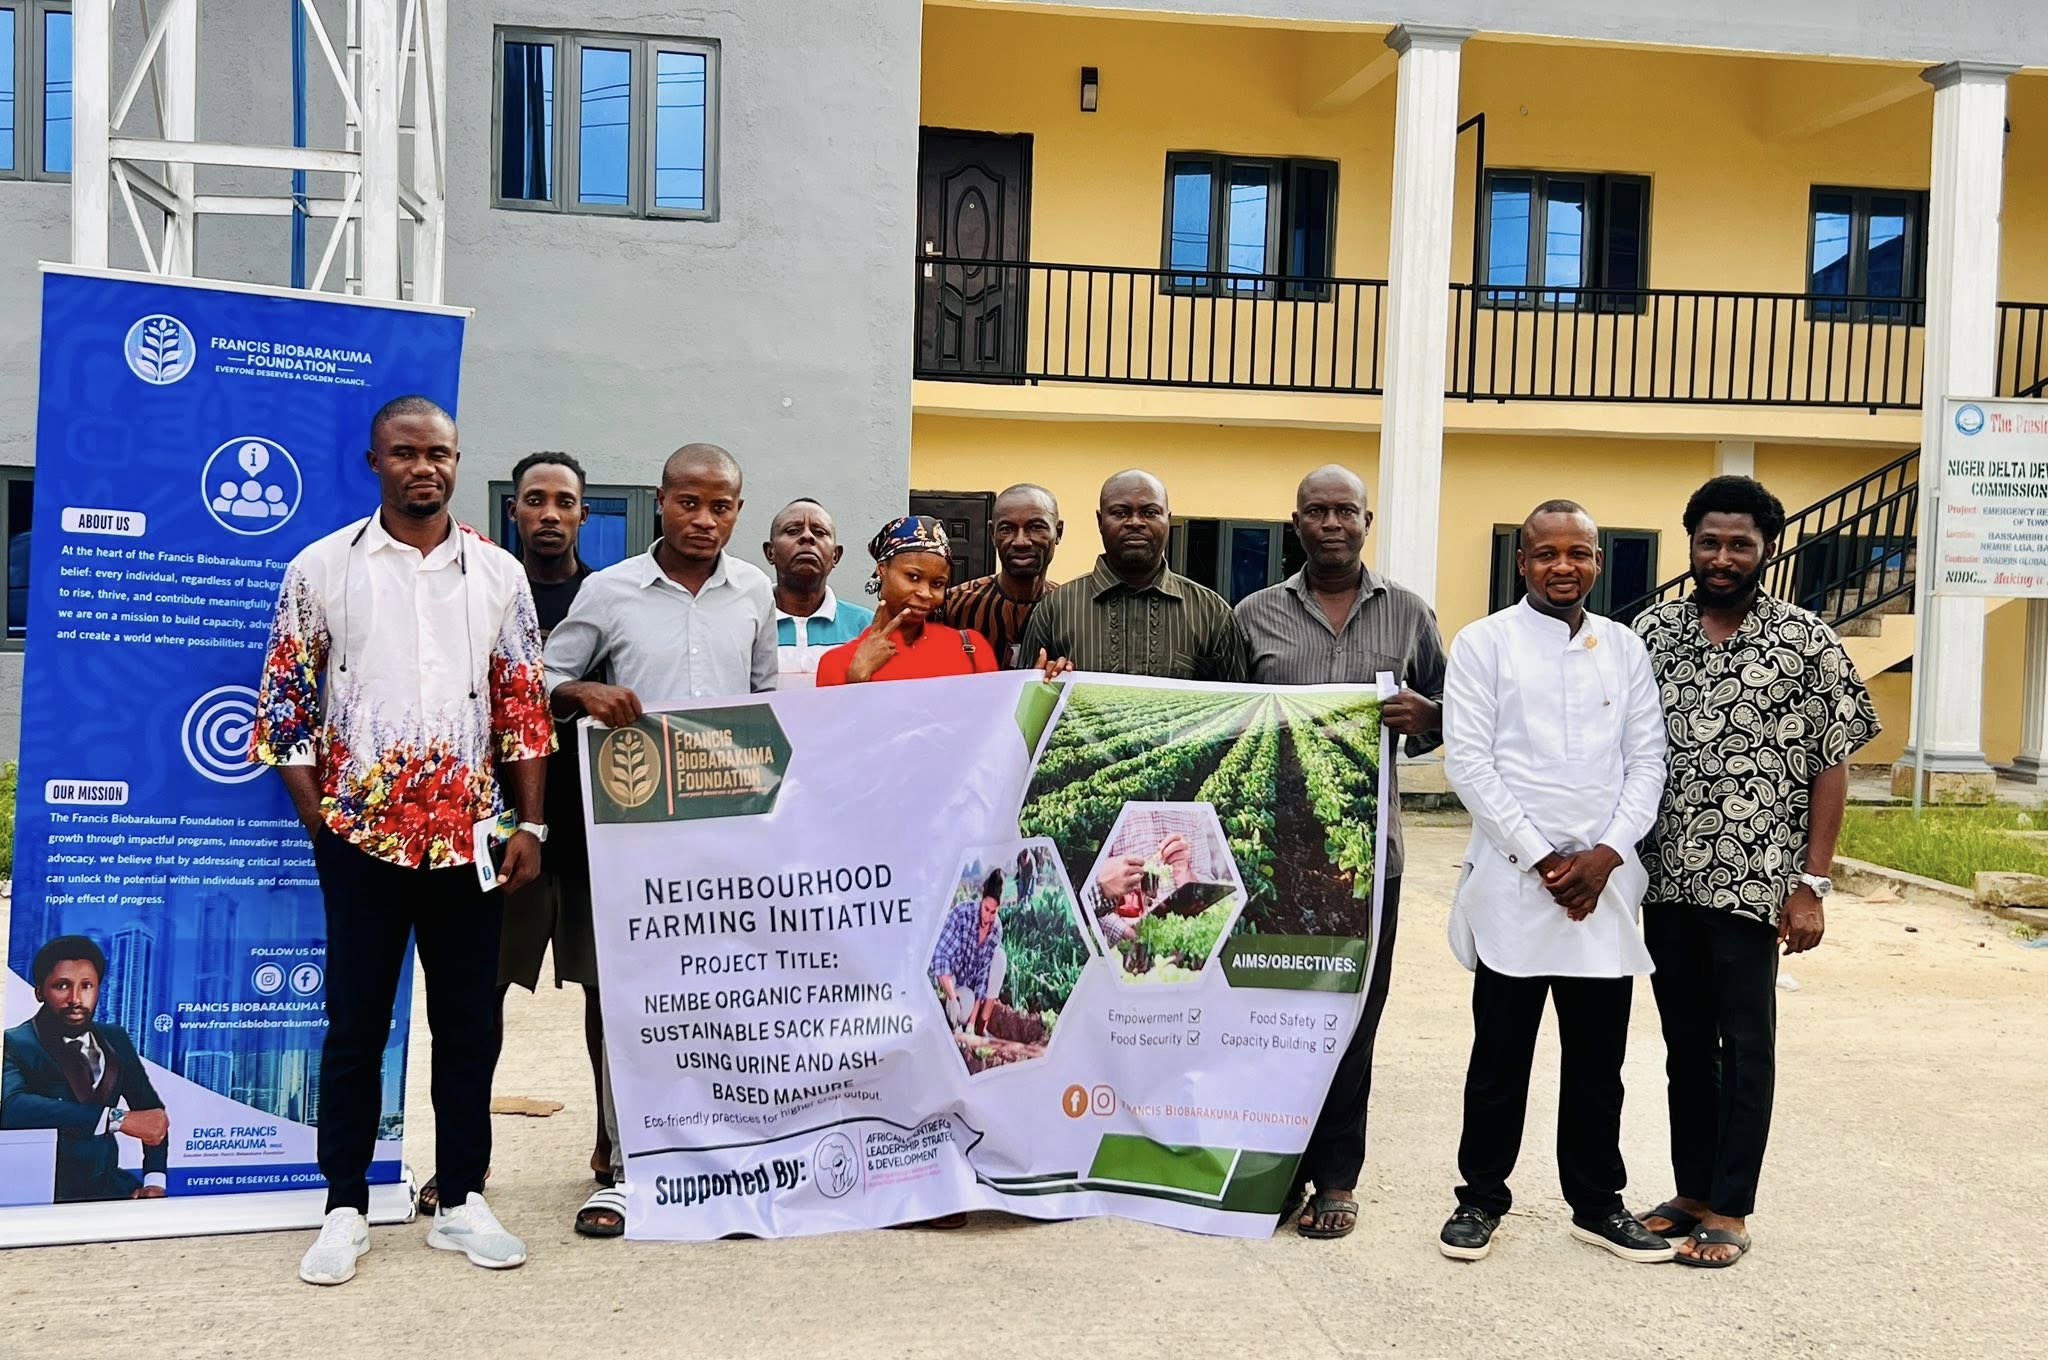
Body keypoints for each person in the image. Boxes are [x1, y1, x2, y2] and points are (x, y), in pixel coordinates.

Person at [253, 394, 551, 1285]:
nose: (425, 466)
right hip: (362, 839)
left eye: (440, 453)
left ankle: (460, 1201)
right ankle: (344, 1206)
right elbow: (284, 704)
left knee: (468, 1026)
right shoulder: (321, 568)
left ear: (456, 462)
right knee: (354, 1025)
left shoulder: (497, 573)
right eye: (406, 452)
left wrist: (529, 823)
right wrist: (320, 818)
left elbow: (523, 706)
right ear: (375, 462)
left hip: (469, 838)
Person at [1632, 476, 1878, 1269]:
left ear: (1766, 549)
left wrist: (1812, 885)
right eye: (1709, 542)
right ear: (1692, 545)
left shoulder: (1807, 641)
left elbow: (1830, 767)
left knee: (1745, 1045)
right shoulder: (1652, 633)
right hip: (1665, 876)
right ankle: (1692, 1191)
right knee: (1683, 1044)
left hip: (1753, 882)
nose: (1722, 557)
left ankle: (1731, 1206)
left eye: (1739, 544)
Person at [542, 441, 777, 1236]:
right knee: (631, 996)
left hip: (727, 832)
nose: (704, 519)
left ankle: (718, 1160)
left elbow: (768, 702)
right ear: (661, 500)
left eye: (721, 506)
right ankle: (624, 1163)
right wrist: (583, 689)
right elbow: (542, 680)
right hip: (632, 831)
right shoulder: (608, 591)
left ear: (738, 512)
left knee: (721, 995)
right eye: (689, 503)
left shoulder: (754, 591)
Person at [1437, 500, 1674, 1266]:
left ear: (1598, 561)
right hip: (1515, 886)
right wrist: (1543, 860)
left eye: (1579, 553)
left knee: (1599, 1067)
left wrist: (1605, 856)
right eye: (1546, 553)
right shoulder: (1484, 644)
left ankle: (1598, 1204)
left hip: (1602, 892)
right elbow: (1470, 763)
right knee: (1499, 1062)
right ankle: (1480, 1199)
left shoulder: (1625, 649)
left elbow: (1647, 762)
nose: (1563, 566)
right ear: (1522, 562)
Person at [1234, 464, 1446, 1239]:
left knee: (1353, 1019)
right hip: (1271, 859)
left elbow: (1453, 712)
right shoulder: (1252, 616)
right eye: (1317, 511)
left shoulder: (1410, 615)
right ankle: (1274, 1170)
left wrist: (1428, 716)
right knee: (1272, 1016)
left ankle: (1336, 1178)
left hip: (1369, 860)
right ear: (1296, 524)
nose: (1332, 524)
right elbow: (1224, 718)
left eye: (1345, 511)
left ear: (1366, 522)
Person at [433, 453, 607, 1221]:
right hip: (500, 832)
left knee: (610, 1001)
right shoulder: (479, 592)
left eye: (564, 501)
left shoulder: (609, 599)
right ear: (514, 510)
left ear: (583, 514)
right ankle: (462, 1164)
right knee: (478, 1000)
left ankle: (614, 1150)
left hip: (599, 831)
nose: (549, 513)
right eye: (535, 499)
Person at [1015, 470, 1249, 681]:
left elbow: (1239, 708)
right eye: (1120, 513)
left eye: (1149, 513)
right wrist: (1047, 680)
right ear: (1100, 521)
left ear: (1168, 520)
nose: (1135, 522)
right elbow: (1024, 704)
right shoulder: (1055, 610)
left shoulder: (1212, 613)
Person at [1, 935, 170, 1202]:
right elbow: (13, 1107)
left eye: (87, 986)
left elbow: (152, 1116)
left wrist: (154, 1181)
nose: (76, 998)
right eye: (62, 985)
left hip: (111, 1188)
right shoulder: (16, 1041)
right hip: (45, 1193)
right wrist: (115, 1119)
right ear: (39, 992)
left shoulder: (115, 1038)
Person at [814, 516, 1001, 685]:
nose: (925, 593)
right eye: (913, 577)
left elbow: (992, 711)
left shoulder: (971, 648)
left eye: (937, 584)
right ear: (882, 569)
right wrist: (857, 677)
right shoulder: (838, 663)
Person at [934, 484, 1064, 668]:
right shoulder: (952, 606)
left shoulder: (1070, 610)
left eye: (1036, 527)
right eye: (1006, 529)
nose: (1021, 541)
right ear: (992, 534)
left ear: (1058, 532)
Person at [765, 497, 873, 686]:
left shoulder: (866, 626)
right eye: (792, 531)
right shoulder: (750, 623)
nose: (807, 537)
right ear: (770, 552)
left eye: (820, 532)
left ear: (836, 555)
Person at [932, 869, 1008, 1036]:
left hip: (972, 989)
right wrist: (952, 998)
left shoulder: (996, 929)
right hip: (953, 984)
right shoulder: (962, 914)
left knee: (1000, 958)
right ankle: (953, 1016)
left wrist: (972, 1024)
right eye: (986, 909)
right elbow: (940, 957)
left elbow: (983, 976)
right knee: (962, 1008)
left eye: (993, 912)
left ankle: (981, 1026)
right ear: (982, 899)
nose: (988, 917)